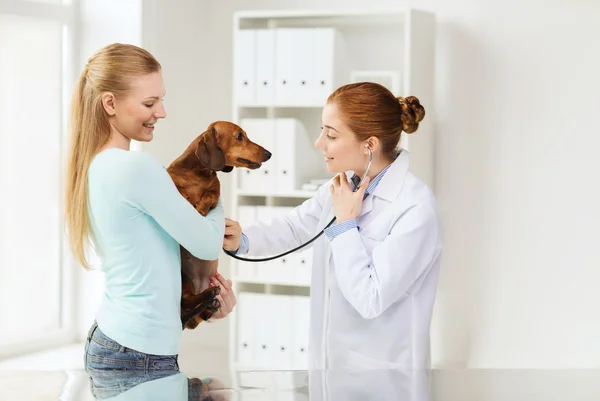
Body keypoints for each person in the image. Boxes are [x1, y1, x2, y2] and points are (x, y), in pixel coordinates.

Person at [224, 82, 442, 397]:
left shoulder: (415, 209)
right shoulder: (344, 186)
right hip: (332, 373)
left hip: (385, 381)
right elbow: (297, 226)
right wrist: (241, 239)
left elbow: (371, 298)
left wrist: (345, 224)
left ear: (369, 144)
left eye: (331, 134)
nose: (318, 143)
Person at [63, 43, 237, 394]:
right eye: (149, 103)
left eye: (161, 99)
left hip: (124, 344)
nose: (162, 112)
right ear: (109, 103)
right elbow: (204, 240)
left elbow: (149, 263)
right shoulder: (134, 167)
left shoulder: (96, 166)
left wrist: (203, 303)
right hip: (137, 354)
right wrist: (214, 200)